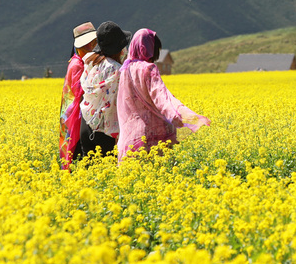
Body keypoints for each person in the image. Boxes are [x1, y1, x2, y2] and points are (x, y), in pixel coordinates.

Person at [117, 28, 210, 161]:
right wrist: (181, 117)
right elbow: (162, 98)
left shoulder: (125, 70)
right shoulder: (148, 69)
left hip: (130, 139)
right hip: (153, 138)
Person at [78, 21, 131, 159]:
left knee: (88, 173)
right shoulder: (116, 70)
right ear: (118, 48)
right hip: (105, 130)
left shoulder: (90, 62)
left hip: (86, 125)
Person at [59, 22, 98, 168]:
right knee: (75, 153)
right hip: (75, 118)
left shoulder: (81, 61)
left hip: (79, 116)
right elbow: (82, 92)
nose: (90, 48)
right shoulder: (77, 64)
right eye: (85, 46)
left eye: (93, 43)